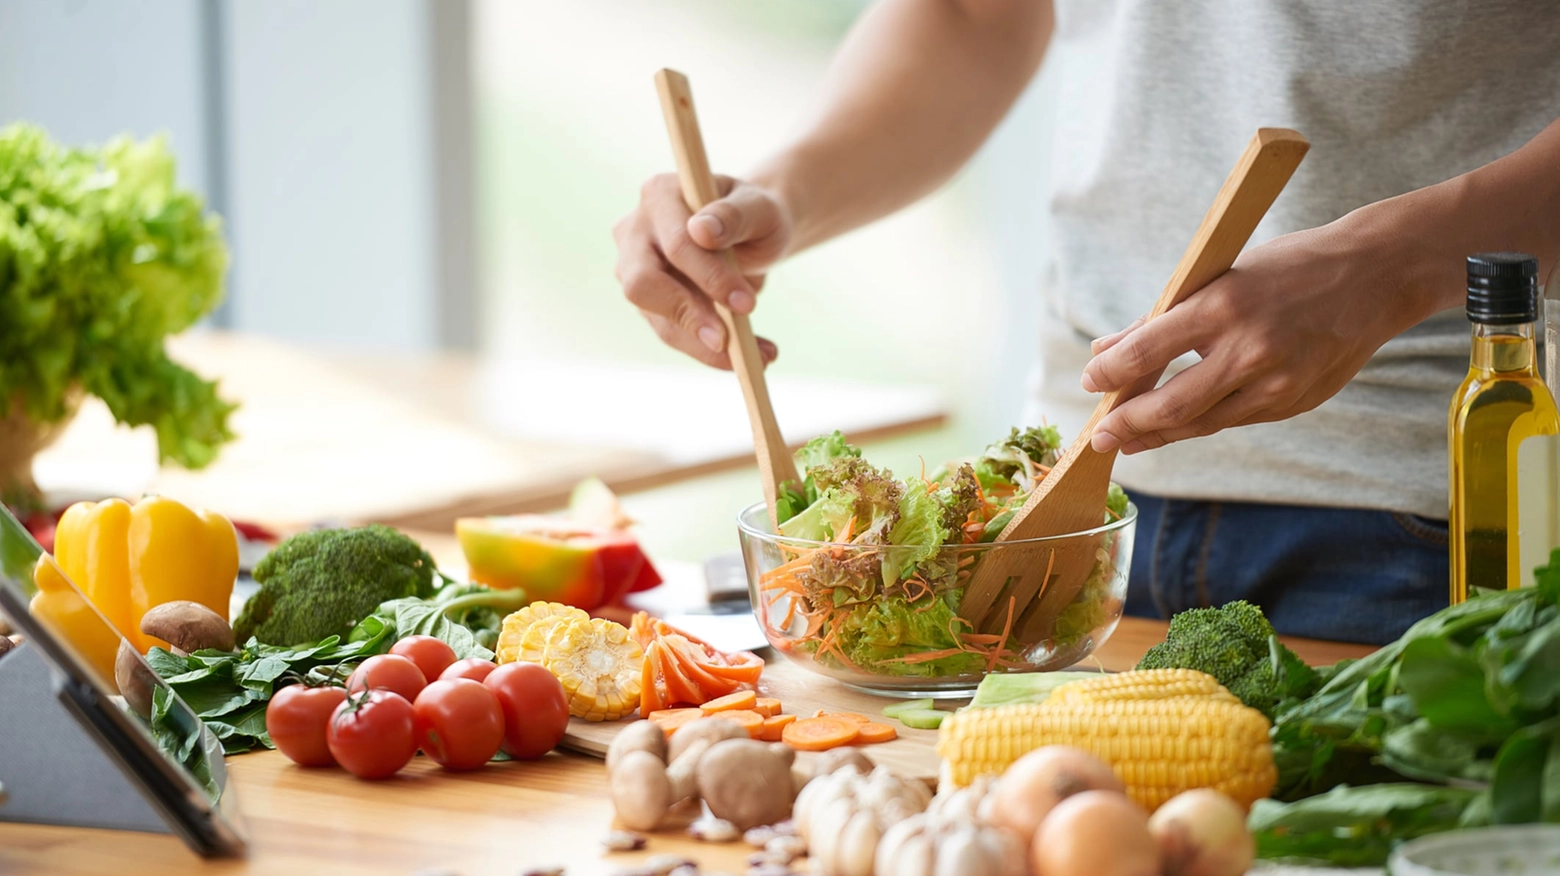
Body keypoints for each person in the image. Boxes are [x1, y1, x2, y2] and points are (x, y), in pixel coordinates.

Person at [612, 0, 1560, 644]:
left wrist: (1397, 266)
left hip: (1443, 501)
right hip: (1073, 521)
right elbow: (972, 16)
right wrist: (786, 194)